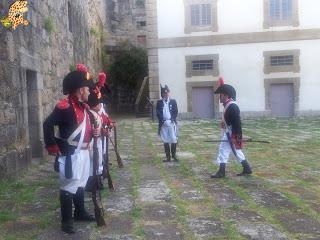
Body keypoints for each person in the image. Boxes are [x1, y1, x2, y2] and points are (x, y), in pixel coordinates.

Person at [43, 64, 98, 234]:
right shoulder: (64, 106)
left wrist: (95, 131)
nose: (89, 92)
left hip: (83, 153)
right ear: (81, 90)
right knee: (68, 186)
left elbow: (87, 129)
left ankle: (79, 212)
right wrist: (53, 146)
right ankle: (66, 221)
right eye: (87, 89)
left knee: (80, 182)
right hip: (69, 154)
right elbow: (48, 124)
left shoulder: (84, 108)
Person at [210, 77, 252, 178]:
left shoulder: (232, 106)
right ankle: (246, 168)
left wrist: (236, 136)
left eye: (221, 95)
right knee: (232, 151)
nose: (219, 97)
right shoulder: (228, 105)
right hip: (230, 132)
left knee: (225, 150)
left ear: (226, 95)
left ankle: (222, 171)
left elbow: (237, 123)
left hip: (232, 133)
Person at [86, 72, 114, 191]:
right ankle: (93, 183)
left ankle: (97, 180)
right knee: (93, 162)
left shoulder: (97, 110)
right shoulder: (90, 113)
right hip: (91, 142)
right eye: (98, 104)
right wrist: (102, 130)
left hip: (98, 140)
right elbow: (93, 126)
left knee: (98, 161)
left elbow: (103, 117)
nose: (100, 105)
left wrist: (108, 125)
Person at [156, 84, 179, 162]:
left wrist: (172, 120)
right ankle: (168, 157)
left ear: (168, 93)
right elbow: (158, 113)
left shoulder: (173, 101)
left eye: (166, 93)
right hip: (163, 124)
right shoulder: (159, 102)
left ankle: (174, 155)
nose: (165, 94)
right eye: (164, 93)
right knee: (165, 139)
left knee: (173, 139)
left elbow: (175, 112)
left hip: (171, 123)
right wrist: (163, 121)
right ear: (162, 94)